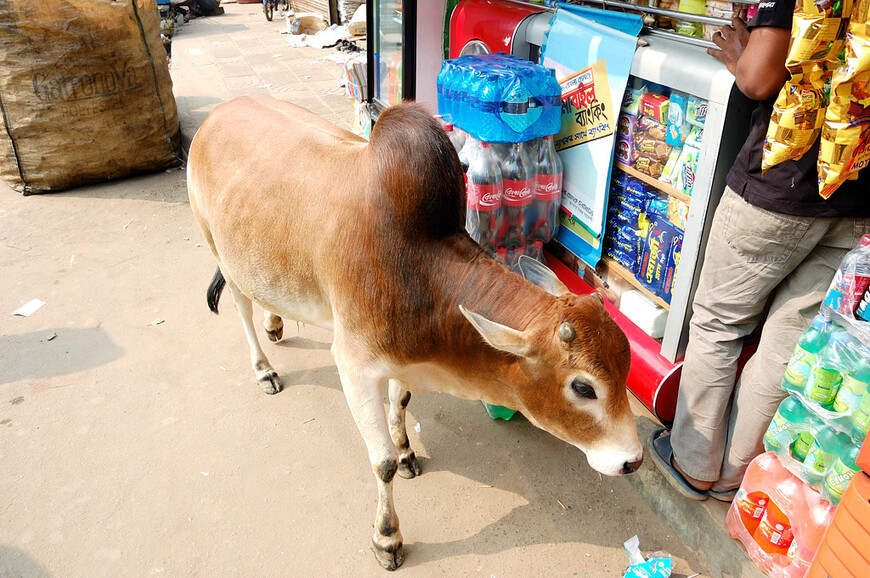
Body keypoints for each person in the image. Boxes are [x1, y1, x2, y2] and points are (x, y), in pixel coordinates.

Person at [649, 0, 870, 501]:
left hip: (781, 183)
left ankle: (693, 463)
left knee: (718, 322)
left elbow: (758, 77)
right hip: (857, 191)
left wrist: (743, 52)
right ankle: (732, 478)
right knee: (786, 338)